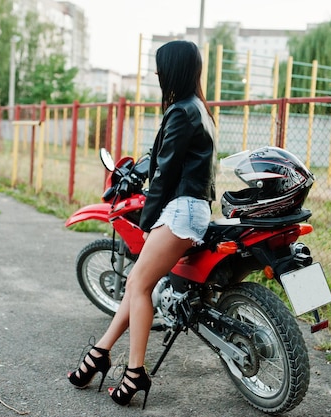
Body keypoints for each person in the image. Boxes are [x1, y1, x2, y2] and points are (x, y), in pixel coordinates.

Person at [66, 40, 216, 410]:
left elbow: (164, 174)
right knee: (136, 284)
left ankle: (135, 371)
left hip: (180, 210)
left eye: (160, 67)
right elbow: (164, 159)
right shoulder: (197, 108)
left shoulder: (181, 111)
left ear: (174, 70)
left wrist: (148, 222)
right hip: (191, 207)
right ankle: (101, 353)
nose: (156, 73)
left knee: (139, 286)